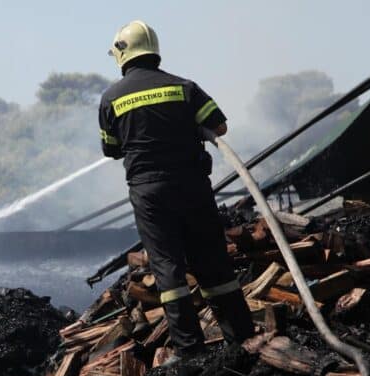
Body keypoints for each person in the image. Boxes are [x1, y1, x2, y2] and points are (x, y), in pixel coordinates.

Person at [98, 20, 254, 352]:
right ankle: (241, 337)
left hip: (149, 193)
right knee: (212, 260)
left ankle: (189, 349)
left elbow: (111, 149)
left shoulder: (111, 98)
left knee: (168, 267)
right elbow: (220, 127)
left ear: (122, 54)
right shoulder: (183, 87)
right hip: (192, 187)